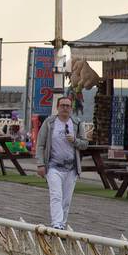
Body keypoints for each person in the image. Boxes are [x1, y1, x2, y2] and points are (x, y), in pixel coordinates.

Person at [35, 95, 88, 230]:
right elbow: (40, 145)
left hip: (71, 168)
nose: (65, 108)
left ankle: (62, 224)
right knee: (56, 195)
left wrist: (74, 140)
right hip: (53, 166)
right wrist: (40, 163)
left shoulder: (76, 124)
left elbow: (85, 144)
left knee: (66, 199)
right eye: (62, 105)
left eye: (68, 106)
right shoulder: (49, 123)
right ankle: (56, 224)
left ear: (71, 108)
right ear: (57, 107)